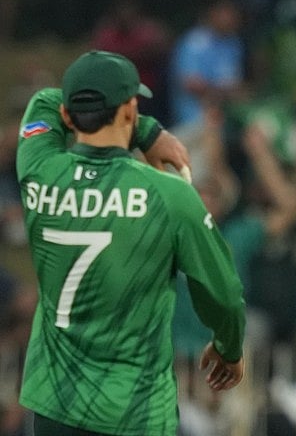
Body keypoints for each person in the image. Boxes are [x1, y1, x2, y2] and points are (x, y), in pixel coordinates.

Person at [16, 50, 247, 435]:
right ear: (129, 109)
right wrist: (229, 347)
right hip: (135, 410)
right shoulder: (168, 195)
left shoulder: (39, 170)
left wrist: (143, 131)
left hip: (55, 405)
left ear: (70, 117)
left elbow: (43, 100)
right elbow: (223, 294)